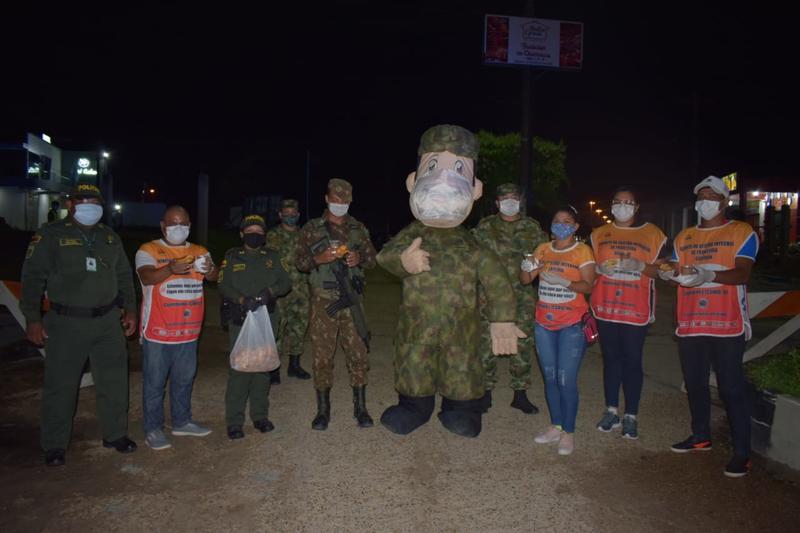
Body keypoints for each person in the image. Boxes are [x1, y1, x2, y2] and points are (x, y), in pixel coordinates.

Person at [377, 124, 523, 438]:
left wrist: (503, 320)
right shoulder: (413, 234)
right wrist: (402, 261)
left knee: (462, 368)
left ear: (476, 189)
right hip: (417, 326)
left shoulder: (472, 245)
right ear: (413, 182)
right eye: (433, 167)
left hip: (462, 328)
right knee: (415, 364)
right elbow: (384, 256)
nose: (444, 181)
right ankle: (414, 406)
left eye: (458, 170)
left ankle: (460, 410)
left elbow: (497, 281)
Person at [20, 179, 138, 466]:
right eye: (84, 203)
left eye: (96, 203)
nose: (91, 208)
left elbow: (124, 276)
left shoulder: (110, 237)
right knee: (61, 385)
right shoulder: (50, 235)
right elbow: (32, 278)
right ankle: (54, 444)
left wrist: (131, 310)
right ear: (71, 205)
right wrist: (33, 319)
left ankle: (114, 434)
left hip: (108, 322)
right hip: (66, 322)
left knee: (114, 382)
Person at [659, 176, 758, 478]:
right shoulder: (684, 237)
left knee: (731, 388)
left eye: (712, 195)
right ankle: (701, 436)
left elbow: (742, 274)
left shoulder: (742, 232)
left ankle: (743, 453)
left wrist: (707, 275)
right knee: (696, 384)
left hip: (727, 324)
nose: (705, 200)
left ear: (724, 201)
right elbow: (673, 267)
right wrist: (665, 271)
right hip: (690, 324)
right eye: (701, 195)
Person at [296, 178, 377, 431]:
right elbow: (298, 262)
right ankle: (323, 411)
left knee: (358, 353)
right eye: (335, 199)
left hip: (351, 299)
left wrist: (359, 257)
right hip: (323, 301)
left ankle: (361, 408)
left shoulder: (358, 228)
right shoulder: (312, 228)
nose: (339, 203)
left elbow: (373, 259)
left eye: (344, 200)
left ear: (350, 201)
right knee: (322, 356)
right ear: (327, 198)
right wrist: (317, 258)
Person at [135, 205, 218, 450]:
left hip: (189, 331)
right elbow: (146, 277)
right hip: (158, 331)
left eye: (184, 224)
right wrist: (170, 268)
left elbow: (213, 277)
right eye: (173, 224)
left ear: (190, 226)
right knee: (154, 382)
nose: (179, 228)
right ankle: (153, 428)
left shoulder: (199, 250)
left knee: (184, 379)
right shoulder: (148, 249)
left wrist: (210, 269)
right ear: (163, 225)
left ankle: (182, 421)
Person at [590, 187, 667, 439]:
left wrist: (642, 266)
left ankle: (631, 415)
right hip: (606, 307)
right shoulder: (598, 234)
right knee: (611, 359)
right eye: (618, 202)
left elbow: (661, 271)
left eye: (628, 202)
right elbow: (589, 269)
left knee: (632, 360)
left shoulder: (653, 234)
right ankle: (611, 410)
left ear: (636, 207)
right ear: (611, 205)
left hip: (636, 309)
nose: (622, 205)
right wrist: (599, 270)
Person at [520, 205, 595, 455]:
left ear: (575, 227)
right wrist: (526, 265)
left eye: (567, 221)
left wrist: (564, 281)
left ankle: (568, 433)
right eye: (556, 220)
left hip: (571, 323)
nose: (561, 224)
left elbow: (588, 286)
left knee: (566, 378)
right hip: (543, 322)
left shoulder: (582, 250)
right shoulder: (543, 249)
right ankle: (556, 425)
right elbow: (525, 280)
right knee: (550, 377)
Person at [472, 182, 548, 415]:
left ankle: (520, 394)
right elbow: (471, 257)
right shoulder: (484, 227)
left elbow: (544, 256)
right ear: (497, 203)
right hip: (490, 296)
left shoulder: (532, 228)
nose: (509, 202)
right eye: (504, 198)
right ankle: (485, 392)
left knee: (523, 344)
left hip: (522, 296)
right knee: (485, 343)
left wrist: (535, 268)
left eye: (514, 197)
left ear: (520, 201)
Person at [219, 214, 291, 439]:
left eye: (259, 232)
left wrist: (270, 292)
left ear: (265, 236)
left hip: (265, 319)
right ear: (242, 234)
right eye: (250, 231)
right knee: (239, 369)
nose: (255, 236)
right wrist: (241, 299)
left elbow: (286, 282)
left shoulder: (273, 257)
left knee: (262, 369)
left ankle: (260, 416)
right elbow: (222, 283)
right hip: (240, 319)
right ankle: (234, 422)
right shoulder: (232, 257)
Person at [265, 198, 311, 382]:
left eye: (293, 214)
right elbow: (272, 261)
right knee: (277, 330)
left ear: (298, 215)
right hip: (279, 292)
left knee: (299, 328)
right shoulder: (273, 235)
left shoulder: (304, 235)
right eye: (286, 214)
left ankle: (294, 365)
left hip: (301, 290)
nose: (290, 217)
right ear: (280, 215)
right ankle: (274, 370)